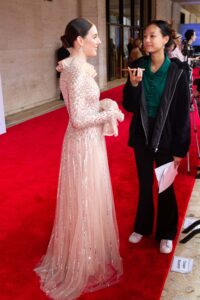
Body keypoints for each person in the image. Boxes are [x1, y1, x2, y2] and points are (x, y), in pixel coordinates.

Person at [34, 18, 123, 300]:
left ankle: (87, 250)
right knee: (84, 197)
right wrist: (109, 112)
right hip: (82, 144)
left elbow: (84, 107)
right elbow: (79, 119)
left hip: (87, 142)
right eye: (95, 36)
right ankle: (80, 257)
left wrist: (103, 104)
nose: (99, 41)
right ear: (79, 40)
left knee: (87, 196)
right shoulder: (77, 72)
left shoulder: (75, 67)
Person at [122, 20, 191, 254]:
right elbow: (129, 106)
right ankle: (142, 227)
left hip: (168, 135)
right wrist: (132, 85)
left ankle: (166, 232)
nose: (147, 40)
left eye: (153, 36)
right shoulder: (137, 65)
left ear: (165, 40)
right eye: (145, 36)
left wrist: (180, 149)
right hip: (142, 132)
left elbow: (183, 113)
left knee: (166, 185)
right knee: (144, 184)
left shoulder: (178, 72)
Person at [56, 35, 70, 100]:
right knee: (63, 84)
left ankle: (66, 96)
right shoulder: (60, 50)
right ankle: (63, 97)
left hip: (67, 68)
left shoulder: (67, 50)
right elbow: (62, 60)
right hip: (63, 69)